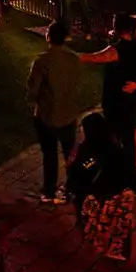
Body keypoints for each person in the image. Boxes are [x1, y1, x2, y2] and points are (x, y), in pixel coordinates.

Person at [26, 19, 87, 203]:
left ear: (48, 36)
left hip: (47, 114)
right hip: (68, 113)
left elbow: (32, 89)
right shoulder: (74, 59)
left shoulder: (42, 60)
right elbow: (77, 84)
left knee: (50, 153)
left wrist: (33, 102)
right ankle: (72, 188)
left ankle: (49, 190)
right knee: (70, 152)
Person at [68, 107, 136, 261]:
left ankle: (96, 239)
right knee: (125, 197)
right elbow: (134, 178)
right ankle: (115, 245)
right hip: (117, 204)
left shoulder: (84, 153)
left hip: (94, 204)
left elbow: (74, 183)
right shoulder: (117, 150)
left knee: (89, 201)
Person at [78, 13, 136, 171]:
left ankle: (124, 171)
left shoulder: (119, 50)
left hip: (118, 100)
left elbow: (96, 58)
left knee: (119, 136)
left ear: (117, 27)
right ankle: (134, 168)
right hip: (133, 98)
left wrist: (75, 57)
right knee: (130, 135)